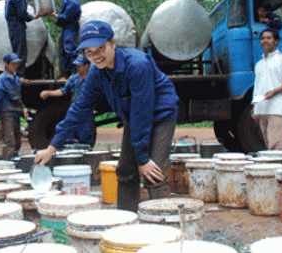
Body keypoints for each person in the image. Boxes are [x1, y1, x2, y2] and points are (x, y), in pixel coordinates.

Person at [34, 21, 180, 212]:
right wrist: (51, 148)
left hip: (161, 113)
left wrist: (143, 160)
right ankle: (127, 221)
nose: (96, 56)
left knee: (154, 174)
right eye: (89, 52)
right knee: (126, 172)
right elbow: (79, 108)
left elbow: (142, 113)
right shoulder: (96, 72)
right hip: (133, 116)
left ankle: (164, 226)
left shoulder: (137, 64)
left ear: (113, 42)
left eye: (100, 48)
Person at [252, 29, 282, 150]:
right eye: (263, 38)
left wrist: (274, 91)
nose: (265, 41)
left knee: (276, 143)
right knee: (268, 143)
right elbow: (257, 87)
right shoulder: (259, 64)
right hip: (262, 108)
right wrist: (254, 107)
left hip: (278, 108)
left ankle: (280, 167)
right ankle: (275, 167)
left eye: (269, 38)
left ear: (276, 42)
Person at [39, 54, 94, 147]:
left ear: (86, 66)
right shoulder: (74, 78)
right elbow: (63, 91)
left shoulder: (92, 78)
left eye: (80, 66)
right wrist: (49, 92)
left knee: (85, 139)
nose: (77, 68)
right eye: (76, 66)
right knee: (69, 138)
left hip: (85, 113)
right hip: (73, 111)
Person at [0, 52, 30, 159]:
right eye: (13, 64)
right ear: (6, 64)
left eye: (16, 64)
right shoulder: (2, 79)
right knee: (10, 143)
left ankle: (14, 164)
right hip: (7, 113)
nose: (15, 66)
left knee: (18, 143)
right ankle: (7, 165)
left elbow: (18, 96)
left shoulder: (15, 77)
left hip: (16, 112)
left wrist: (23, 108)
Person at [5, 0, 40, 77]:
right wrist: (33, 17)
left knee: (16, 49)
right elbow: (22, 15)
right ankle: (18, 76)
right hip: (18, 27)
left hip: (12, 26)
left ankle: (13, 74)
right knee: (21, 52)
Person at [46, 0, 82, 78]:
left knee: (69, 50)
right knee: (64, 51)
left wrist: (53, 14)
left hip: (70, 27)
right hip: (66, 27)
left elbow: (65, 17)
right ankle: (66, 74)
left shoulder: (73, 2)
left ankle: (73, 74)